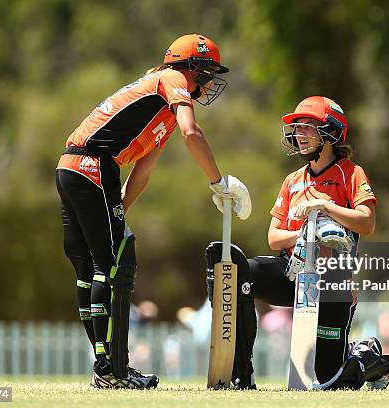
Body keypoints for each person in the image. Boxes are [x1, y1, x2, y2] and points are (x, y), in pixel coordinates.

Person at [56, 34, 251, 389]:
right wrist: (218, 182)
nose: (208, 82)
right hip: (93, 166)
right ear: (191, 68)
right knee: (114, 266)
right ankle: (113, 370)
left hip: (72, 167)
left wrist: (117, 214)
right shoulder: (172, 80)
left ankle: (104, 367)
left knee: (91, 269)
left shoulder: (161, 110)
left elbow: (143, 172)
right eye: (206, 72)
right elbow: (194, 133)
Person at [205, 96, 389, 389]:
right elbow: (273, 237)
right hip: (294, 273)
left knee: (331, 379)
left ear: (330, 133)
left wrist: (324, 207)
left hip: (333, 280)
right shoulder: (292, 180)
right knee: (245, 274)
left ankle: (366, 355)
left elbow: (366, 222)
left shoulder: (350, 173)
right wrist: (306, 234)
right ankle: (242, 373)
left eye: (308, 127)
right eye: (298, 128)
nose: (299, 134)